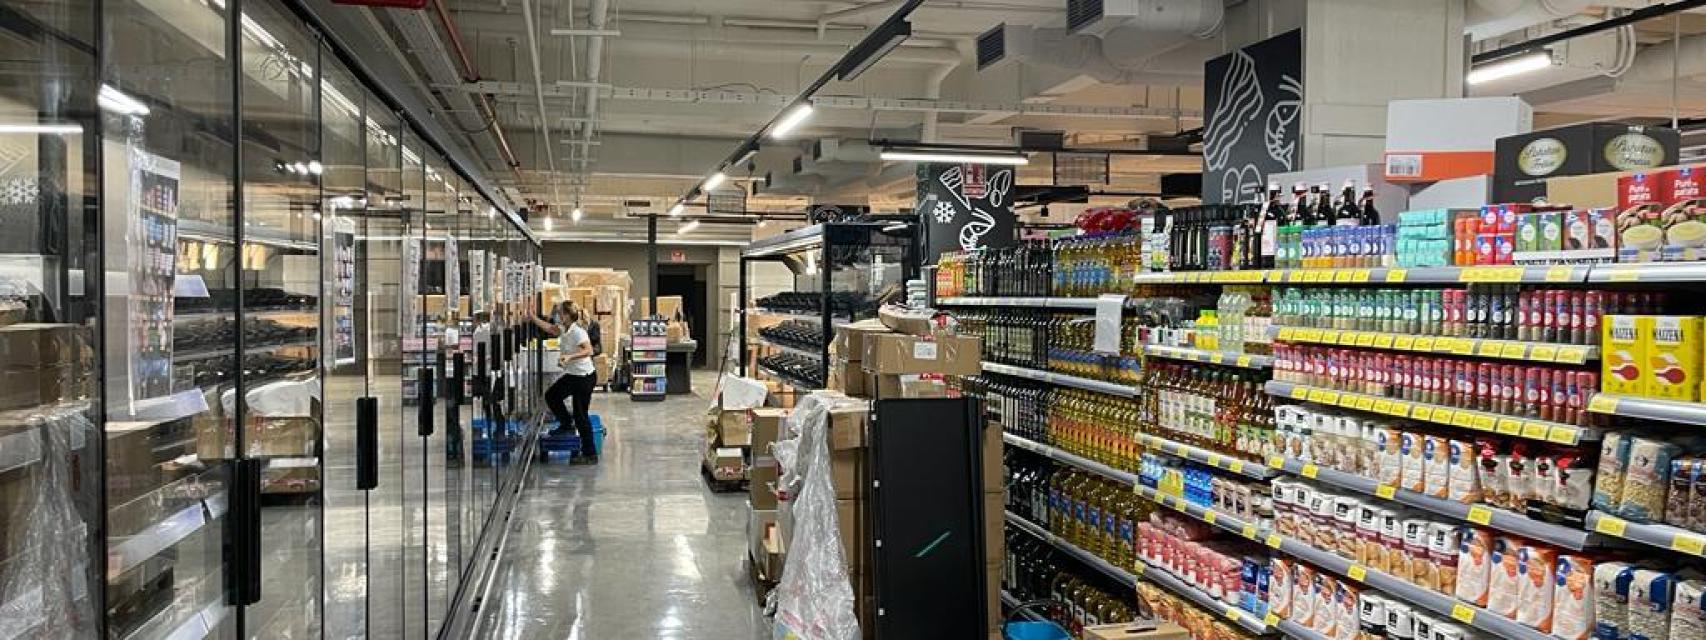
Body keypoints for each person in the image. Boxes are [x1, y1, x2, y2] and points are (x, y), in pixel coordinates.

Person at [533, 301, 598, 462]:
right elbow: (549, 328)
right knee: (552, 395)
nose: (558, 315)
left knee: (580, 415)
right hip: (573, 375)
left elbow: (589, 350)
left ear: (567, 315)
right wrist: (532, 317)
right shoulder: (564, 329)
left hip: (584, 377)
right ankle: (566, 423)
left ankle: (590, 454)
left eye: (560, 312)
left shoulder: (578, 332)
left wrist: (569, 357)